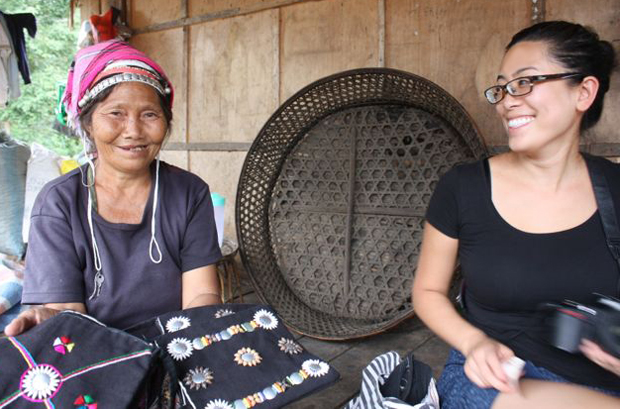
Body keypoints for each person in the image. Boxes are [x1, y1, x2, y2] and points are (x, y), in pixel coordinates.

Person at [412, 21, 620, 409]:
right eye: (503, 87)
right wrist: (474, 342)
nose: (507, 100)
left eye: (525, 82)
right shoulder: (464, 187)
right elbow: (427, 292)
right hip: (499, 379)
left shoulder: (617, 189)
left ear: (584, 92)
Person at [5, 40, 222, 335]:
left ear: (166, 123)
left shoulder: (189, 193)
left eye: (149, 114)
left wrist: (191, 350)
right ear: (88, 124)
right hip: (95, 354)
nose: (133, 131)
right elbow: (68, 316)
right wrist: (52, 316)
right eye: (116, 113)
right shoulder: (59, 202)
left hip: (178, 346)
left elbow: (202, 296)